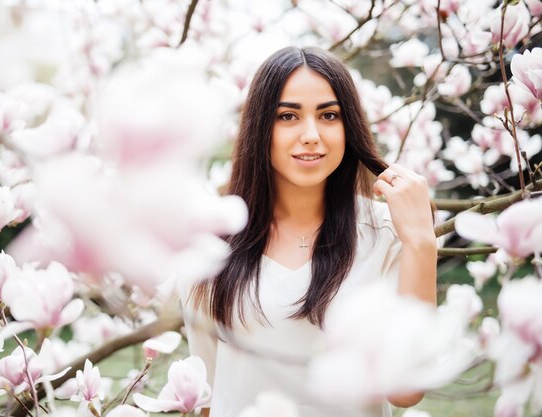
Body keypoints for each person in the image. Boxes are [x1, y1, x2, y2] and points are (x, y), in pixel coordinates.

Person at [179, 46, 437, 417]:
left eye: (329, 115)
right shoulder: (211, 244)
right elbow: (207, 396)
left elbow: (406, 390)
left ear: (349, 126)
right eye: (288, 116)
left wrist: (421, 243)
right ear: (259, 128)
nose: (312, 135)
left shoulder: (388, 232)